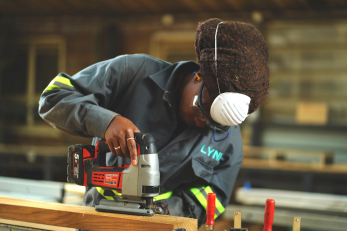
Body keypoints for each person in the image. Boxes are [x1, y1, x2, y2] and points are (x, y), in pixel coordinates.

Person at [39, 18, 269, 227]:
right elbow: (53, 98)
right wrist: (106, 122)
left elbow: (214, 200)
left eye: (213, 125)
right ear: (200, 74)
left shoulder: (228, 143)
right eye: (201, 111)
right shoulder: (133, 73)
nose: (202, 125)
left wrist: (169, 211)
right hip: (98, 220)